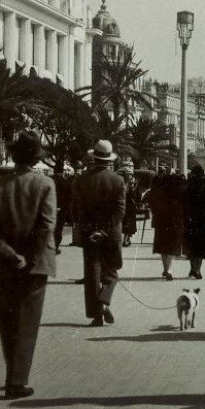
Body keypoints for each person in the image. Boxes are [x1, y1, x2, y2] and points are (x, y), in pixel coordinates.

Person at [0, 132, 58, 400]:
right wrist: (28, 257)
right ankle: (17, 381)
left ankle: (12, 373)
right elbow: (46, 227)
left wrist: (11, 255)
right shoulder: (45, 184)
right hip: (35, 264)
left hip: (3, 262)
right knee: (27, 322)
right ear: (36, 158)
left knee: (7, 320)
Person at [72, 140, 126, 327]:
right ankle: (105, 298)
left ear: (94, 157)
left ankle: (97, 316)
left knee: (92, 272)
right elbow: (119, 212)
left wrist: (90, 230)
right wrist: (105, 231)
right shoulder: (118, 180)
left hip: (89, 233)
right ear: (109, 159)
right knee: (111, 271)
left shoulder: (81, 179)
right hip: (111, 234)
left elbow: (77, 210)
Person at [148, 164, 187, 280]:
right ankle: (169, 269)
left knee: (163, 246)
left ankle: (166, 269)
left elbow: (152, 204)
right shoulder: (179, 194)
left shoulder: (159, 193)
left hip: (161, 221)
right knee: (173, 246)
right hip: (176, 222)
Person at [118, 159, 140, 248]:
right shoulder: (128, 182)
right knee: (127, 223)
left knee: (128, 223)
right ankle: (125, 240)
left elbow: (137, 194)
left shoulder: (132, 182)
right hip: (128, 205)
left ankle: (127, 239)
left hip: (129, 205)